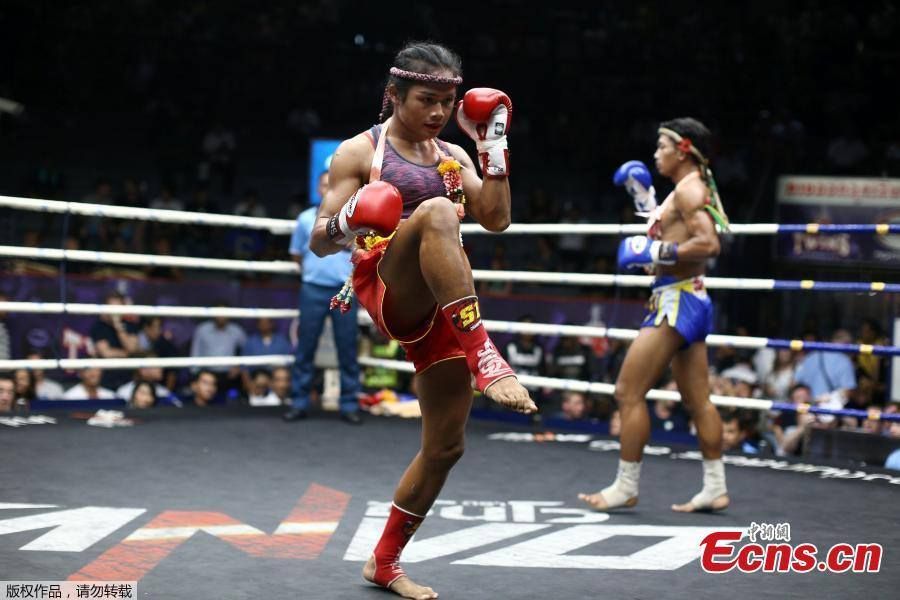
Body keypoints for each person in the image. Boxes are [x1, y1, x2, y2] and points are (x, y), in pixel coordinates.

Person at [308, 42, 535, 600]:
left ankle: (384, 562)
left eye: (447, 102)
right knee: (435, 212)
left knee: (445, 448)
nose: (438, 112)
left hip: (445, 305)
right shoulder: (359, 151)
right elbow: (318, 240)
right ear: (394, 96)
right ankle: (486, 355)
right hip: (388, 287)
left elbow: (497, 219)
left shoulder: (453, 156)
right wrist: (348, 219)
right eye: (426, 101)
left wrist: (493, 147)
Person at [579, 118, 730, 513]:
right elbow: (674, 233)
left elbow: (708, 244)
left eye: (662, 146)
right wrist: (647, 206)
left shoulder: (690, 189)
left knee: (627, 392)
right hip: (689, 296)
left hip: (677, 301)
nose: (656, 153)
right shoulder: (686, 189)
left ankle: (626, 486)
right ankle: (715, 487)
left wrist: (656, 253)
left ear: (683, 150)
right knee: (698, 400)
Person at [283, 167, 363, 423]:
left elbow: (363, 252)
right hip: (313, 288)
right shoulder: (305, 219)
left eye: (333, 184)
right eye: (324, 185)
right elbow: (297, 255)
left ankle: (349, 404)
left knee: (347, 347)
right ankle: (299, 402)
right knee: (305, 347)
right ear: (318, 189)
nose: (328, 189)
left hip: (344, 289)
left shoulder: (354, 218)